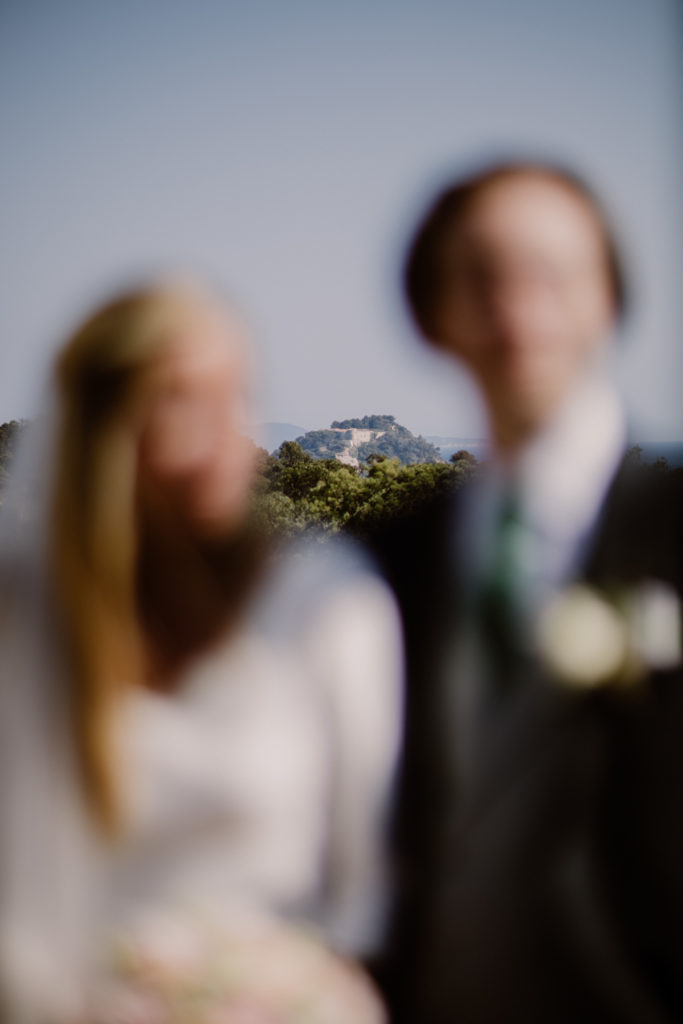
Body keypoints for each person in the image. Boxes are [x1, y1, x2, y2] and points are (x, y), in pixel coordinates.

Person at [0, 280, 401, 1023]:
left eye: (238, 392)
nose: (229, 427)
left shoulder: (328, 605)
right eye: (184, 398)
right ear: (108, 429)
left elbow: (367, 882)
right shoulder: (26, 614)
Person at [372, 160, 683, 1022]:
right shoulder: (383, 559)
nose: (516, 308)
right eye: (479, 277)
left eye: (551, 274)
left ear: (608, 298)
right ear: (430, 313)